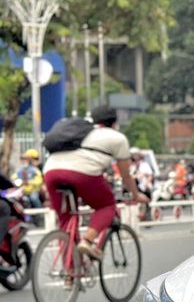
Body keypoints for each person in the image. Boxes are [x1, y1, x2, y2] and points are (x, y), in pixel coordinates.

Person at [42, 103, 149, 260]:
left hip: (51, 171)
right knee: (107, 206)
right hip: (82, 173)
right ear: (114, 123)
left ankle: (70, 275)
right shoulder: (117, 138)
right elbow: (126, 176)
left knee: (66, 222)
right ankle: (87, 240)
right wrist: (136, 194)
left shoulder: (78, 131)